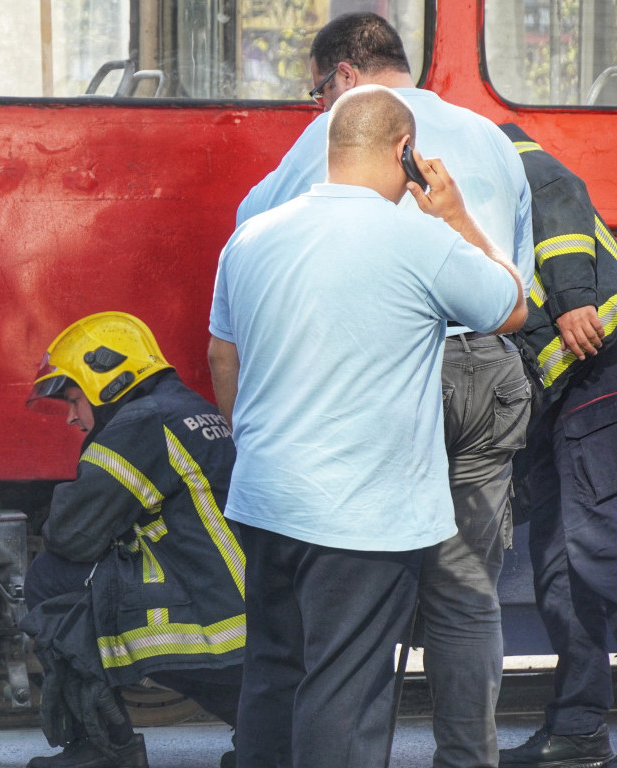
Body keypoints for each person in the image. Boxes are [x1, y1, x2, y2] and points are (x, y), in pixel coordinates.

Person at [235, 13, 535, 768]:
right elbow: (510, 289)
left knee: (317, 634)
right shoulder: (492, 136)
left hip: (376, 375)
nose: (315, 108)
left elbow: (262, 240)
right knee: (466, 595)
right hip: (481, 365)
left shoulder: (334, 134)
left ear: (341, 79)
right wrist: (460, 222)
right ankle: (468, 758)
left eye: (315, 94)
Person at [22, 311, 245, 768]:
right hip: (253, 622)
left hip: (216, 628)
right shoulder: (188, 408)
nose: (70, 418)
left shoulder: (139, 424)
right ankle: (264, 737)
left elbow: (71, 535)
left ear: (107, 381)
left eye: (73, 399)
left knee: (52, 577)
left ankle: (103, 750)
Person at [495, 123, 617, 768]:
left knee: (589, 553)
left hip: (596, 359)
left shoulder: (481, 138)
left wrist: (573, 300)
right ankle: (578, 730)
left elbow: (557, 189)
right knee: (563, 566)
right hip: (561, 387)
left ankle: (579, 728)